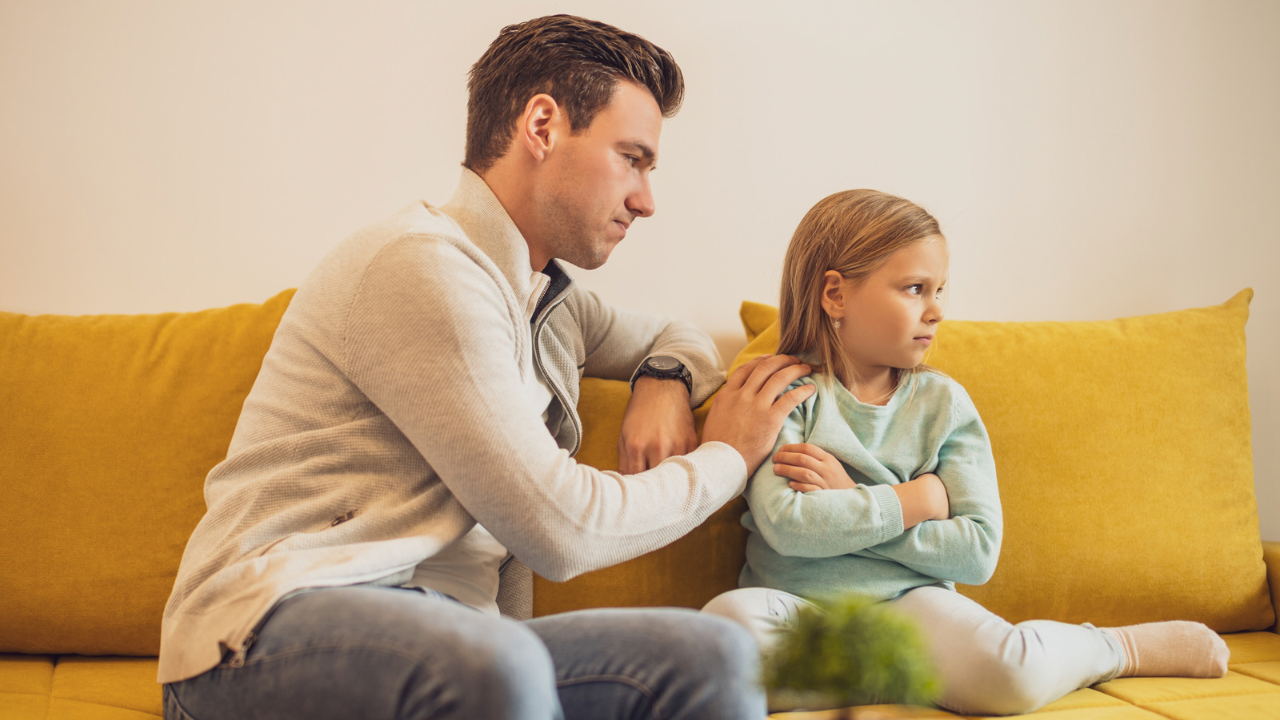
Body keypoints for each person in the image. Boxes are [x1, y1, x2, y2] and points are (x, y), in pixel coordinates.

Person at [159, 14, 814, 720]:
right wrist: (725, 457)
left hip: (469, 647)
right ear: (542, 126)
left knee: (711, 656)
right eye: (633, 158)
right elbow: (561, 529)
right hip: (264, 635)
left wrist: (665, 379)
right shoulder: (421, 266)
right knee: (495, 662)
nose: (646, 200)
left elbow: (672, 333)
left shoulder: (548, 302)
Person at [701, 189, 1230, 716]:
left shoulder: (944, 404)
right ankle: (903, 677)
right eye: (914, 288)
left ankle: (1113, 648)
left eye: (939, 291)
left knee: (1009, 674)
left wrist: (848, 503)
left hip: (913, 607)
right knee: (725, 629)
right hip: (799, 611)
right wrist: (913, 500)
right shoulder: (782, 394)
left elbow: (976, 552)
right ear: (835, 294)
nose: (935, 311)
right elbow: (792, 527)